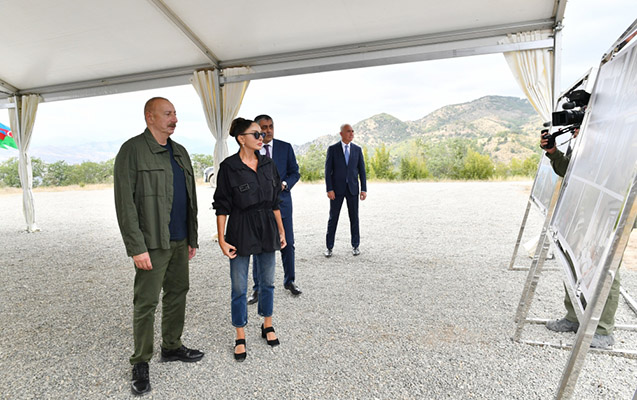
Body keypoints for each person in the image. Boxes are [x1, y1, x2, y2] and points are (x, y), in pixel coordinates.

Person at [114, 97, 203, 396]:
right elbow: (125, 203)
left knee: (178, 293)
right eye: (167, 114)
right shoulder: (132, 150)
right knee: (146, 302)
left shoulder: (180, 152)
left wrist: (191, 237)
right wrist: (136, 247)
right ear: (149, 117)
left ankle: (172, 346)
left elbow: (190, 198)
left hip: (179, 239)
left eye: (175, 113)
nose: (174, 119)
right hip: (151, 242)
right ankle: (141, 361)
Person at [213, 117, 286, 361]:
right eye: (256, 134)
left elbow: (275, 202)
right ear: (241, 139)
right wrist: (222, 239)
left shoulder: (268, 164)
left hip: (267, 226)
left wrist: (281, 231)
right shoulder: (228, 167)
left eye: (262, 134)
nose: (261, 137)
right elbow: (221, 205)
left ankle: (267, 325)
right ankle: (240, 335)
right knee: (239, 286)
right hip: (240, 228)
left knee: (267, 282)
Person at [541, 129, 619, 349]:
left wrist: (597, 138)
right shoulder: (587, 142)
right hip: (584, 210)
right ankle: (574, 316)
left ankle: (603, 329)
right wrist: (554, 152)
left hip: (609, 211)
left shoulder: (619, 130)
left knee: (605, 267)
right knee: (573, 260)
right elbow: (571, 171)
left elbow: (618, 168)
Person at [248, 114, 302, 305]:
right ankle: (257, 288)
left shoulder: (285, 147)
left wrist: (285, 184)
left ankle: (290, 281)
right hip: (259, 207)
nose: (268, 130)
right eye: (264, 127)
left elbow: (295, 172)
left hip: (282, 203)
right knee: (259, 246)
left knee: (288, 244)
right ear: (256, 130)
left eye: (271, 126)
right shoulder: (251, 149)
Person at [324, 123, 367, 257]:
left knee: (354, 218)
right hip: (336, 190)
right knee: (333, 218)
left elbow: (362, 171)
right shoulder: (333, 149)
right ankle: (329, 247)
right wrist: (329, 189)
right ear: (341, 134)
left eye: (352, 131)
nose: (351, 134)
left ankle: (355, 246)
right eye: (348, 131)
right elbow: (327, 171)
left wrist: (363, 189)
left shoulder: (357, 150)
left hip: (353, 189)